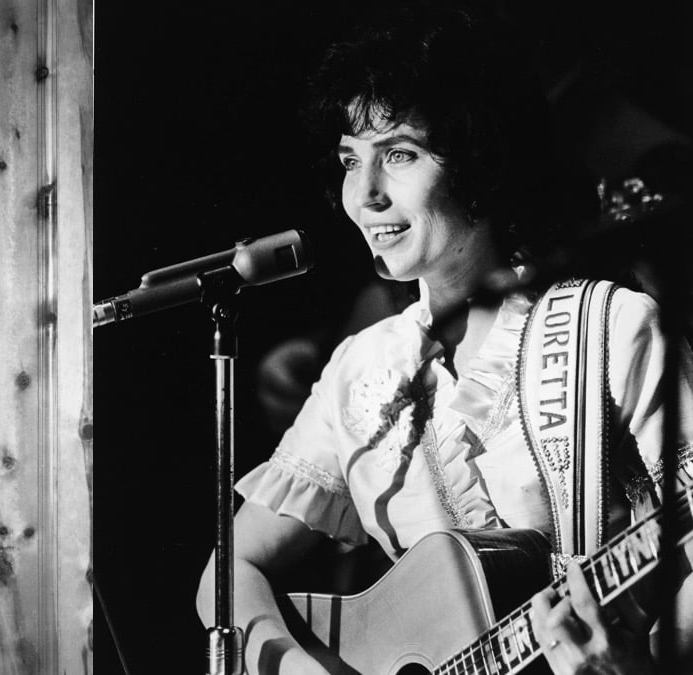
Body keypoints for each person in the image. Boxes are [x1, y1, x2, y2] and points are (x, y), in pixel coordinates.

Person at [195, 4, 693, 674]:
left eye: (399, 154)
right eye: (350, 160)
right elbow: (228, 570)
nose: (363, 194)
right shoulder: (362, 369)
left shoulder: (611, 328)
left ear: (479, 161)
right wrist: (297, 667)